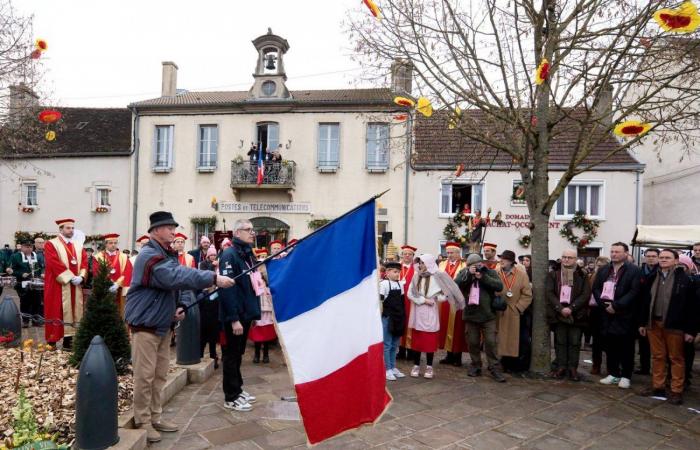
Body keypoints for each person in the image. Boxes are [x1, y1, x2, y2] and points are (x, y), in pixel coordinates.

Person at [125, 211, 234, 443]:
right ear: (155, 230)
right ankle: (142, 420)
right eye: (168, 227)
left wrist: (182, 304)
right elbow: (174, 276)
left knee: (160, 375)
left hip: (162, 323)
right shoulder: (149, 255)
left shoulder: (167, 253)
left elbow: (181, 285)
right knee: (145, 376)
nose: (174, 231)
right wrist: (213, 278)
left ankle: (155, 416)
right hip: (145, 324)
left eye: (174, 227)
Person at [638, 249, 698, 405]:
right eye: (661, 257)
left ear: (676, 261)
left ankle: (676, 390)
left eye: (667, 258)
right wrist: (643, 322)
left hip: (675, 325)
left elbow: (693, 308)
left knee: (676, 358)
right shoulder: (652, 277)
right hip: (654, 323)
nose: (663, 260)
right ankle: (658, 386)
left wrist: (691, 331)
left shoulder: (685, 280)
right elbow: (644, 301)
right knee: (658, 356)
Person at [218, 219, 262, 412]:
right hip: (233, 316)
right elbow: (228, 291)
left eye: (253, 230)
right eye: (248, 230)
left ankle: (238, 388)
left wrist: (250, 315)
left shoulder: (246, 254)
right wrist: (234, 318)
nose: (252, 233)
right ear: (236, 233)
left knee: (238, 354)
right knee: (231, 355)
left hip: (244, 313)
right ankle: (231, 396)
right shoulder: (229, 255)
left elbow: (252, 284)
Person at [407, 254, 465, 379]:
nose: (420, 265)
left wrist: (435, 298)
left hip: (431, 311)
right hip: (418, 310)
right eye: (419, 263)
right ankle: (416, 365)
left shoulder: (437, 277)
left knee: (429, 340)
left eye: (422, 263)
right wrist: (422, 300)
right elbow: (410, 293)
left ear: (428, 263)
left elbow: (446, 294)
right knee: (417, 341)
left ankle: (429, 366)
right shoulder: (416, 276)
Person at [593, 242, 641, 389]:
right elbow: (596, 288)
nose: (614, 254)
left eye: (617, 252)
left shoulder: (634, 270)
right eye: (612, 251)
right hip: (606, 314)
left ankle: (626, 376)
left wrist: (616, 305)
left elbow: (634, 291)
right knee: (610, 345)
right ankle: (613, 373)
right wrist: (604, 305)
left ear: (625, 253)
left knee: (626, 347)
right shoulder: (604, 270)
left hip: (624, 315)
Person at [456, 254, 506, 382]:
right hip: (471, 315)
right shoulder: (464, 272)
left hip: (488, 314)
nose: (477, 267)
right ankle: (476, 365)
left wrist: (482, 277)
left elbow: (499, 286)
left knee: (490, 342)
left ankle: (494, 367)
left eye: (479, 264)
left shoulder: (490, 272)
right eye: (473, 265)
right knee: (472, 342)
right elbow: (456, 284)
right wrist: (468, 274)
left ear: (482, 263)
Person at [546, 249, 591, 381]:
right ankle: (560, 367)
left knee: (575, 342)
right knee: (560, 342)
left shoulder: (582, 275)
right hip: (558, 314)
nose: (566, 260)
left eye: (569, 257)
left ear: (575, 259)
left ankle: (572, 368)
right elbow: (549, 292)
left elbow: (585, 294)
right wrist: (560, 308)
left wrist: (572, 308)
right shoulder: (554, 274)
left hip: (577, 315)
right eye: (564, 257)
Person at [43, 218, 88, 349]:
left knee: (75, 311)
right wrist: (69, 277)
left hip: (75, 286)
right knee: (56, 310)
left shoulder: (78, 246)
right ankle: (52, 341)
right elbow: (53, 262)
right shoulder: (51, 244)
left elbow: (84, 262)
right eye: (68, 228)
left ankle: (69, 340)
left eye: (73, 228)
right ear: (61, 229)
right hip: (58, 284)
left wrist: (81, 276)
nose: (71, 230)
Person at [495, 250, 533, 374]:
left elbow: (527, 295)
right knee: (499, 338)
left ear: (511, 262)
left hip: (514, 312)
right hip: (498, 311)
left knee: (513, 339)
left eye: (504, 259)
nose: (501, 261)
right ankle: (500, 362)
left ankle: (512, 363)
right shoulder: (496, 273)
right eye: (500, 258)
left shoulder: (521, 275)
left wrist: (518, 308)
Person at [438, 242, 468, 366]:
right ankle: (448, 355)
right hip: (445, 302)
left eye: (452, 253)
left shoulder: (464, 265)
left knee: (458, 329)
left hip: (458, 300)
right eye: (448, 252)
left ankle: (457, 357)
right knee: (445, 327)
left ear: (458, 253)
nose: (449, 255)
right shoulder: (442, 264)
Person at [94, 233, 133, 319]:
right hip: (104, 289)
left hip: (119, 290)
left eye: (115, 243)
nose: (113, 245)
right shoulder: (98, 257)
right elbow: (96, 272)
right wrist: (108, 283)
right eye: (111, 243)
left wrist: (117, 284)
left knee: (119, 313)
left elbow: (128, 272)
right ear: (106, 244)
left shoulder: (124, 257)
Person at [249, 248, 276, 364]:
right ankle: (256, 354)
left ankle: (265, 354)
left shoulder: (270, 275)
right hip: (258, 305)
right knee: (257, 330)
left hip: (267, 306)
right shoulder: (253, 275)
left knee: (266, 331)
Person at [381, 261, 407, 381]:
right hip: (388, 318)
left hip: (398, 318)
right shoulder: (384, 284)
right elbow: (380, 302)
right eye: (395, 272)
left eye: (399, 272)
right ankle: (387, 369)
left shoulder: (400, 285)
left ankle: (393, 366)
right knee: (387, 344)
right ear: (387, 272)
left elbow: (402, 302)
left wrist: (403, 316)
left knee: (395, 344)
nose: (397, 274)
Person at [635, 249, 659, 375]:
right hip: (641, 309)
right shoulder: (639, 271)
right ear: (644, 257)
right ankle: (644, 367)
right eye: (648, 256)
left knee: (656, 344)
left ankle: (657, 370)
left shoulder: (660, 272)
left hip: (655, 309)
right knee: (643, 342)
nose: (651, 258)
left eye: (654, 256)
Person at [11, 239, 44, 327]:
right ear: (21, 247)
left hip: (35, 282)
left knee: (36, 302)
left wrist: (41, 273)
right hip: (23, 283)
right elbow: (11, 271)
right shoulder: (15, 256)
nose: (29, 249)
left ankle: (35, 320)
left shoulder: (35, 255)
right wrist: (21, 274)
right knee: (25, 302)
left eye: (30, 247)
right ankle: (25, 321)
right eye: (26, 247)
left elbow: (39, 267)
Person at [198, 246, 220, 369]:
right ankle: (200, 357)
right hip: (204, 321)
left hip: (214, 322)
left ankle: (213, 358)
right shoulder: (202, 294)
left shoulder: (217, 294)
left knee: (212, 342)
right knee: (202, 341)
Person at [588, 256, 609, 375]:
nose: (599, 268)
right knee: (596, 340)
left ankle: (610, 366)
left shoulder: (609, 276)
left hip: (606, 308)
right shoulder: (591, 276)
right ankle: (596, 364)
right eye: (598, 265)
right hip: (594, 309)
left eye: (602, 266)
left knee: (607, 340)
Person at [397, 244, 417, 360]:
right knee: (401, 323)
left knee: (411, 324)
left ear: (413, 256)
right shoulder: (397, 267)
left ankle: (411, 350)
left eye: (409, 254)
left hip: (411, 301)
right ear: (402, 255)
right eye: (405, 254)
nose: (407, 256)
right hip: (399, 301)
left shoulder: (416, 269)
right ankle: (401, 350)